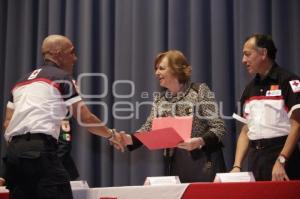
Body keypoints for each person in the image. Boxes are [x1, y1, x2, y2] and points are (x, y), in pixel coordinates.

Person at [2, 34, 124, 199]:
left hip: (13, 156)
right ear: (58, 53)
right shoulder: (61, 78)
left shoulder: (20, 82)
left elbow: (7, 123)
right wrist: (112, 135)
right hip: (40, 152)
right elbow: (85, 118)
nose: (75, 58)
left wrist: (20, 146)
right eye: (72, 52)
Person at [119, 50, 226, 182]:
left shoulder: (199, 91)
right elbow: (148, 129)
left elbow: (219, 127)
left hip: (205, 160)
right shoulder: (160, 99)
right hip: (177, 163)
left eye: (161, 68)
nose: (156, 73)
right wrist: (126, 139)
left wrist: (199, 141)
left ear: (176, 70)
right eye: (156, 69)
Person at [231, 34, 300, 181]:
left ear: (263, 53)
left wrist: (281, 160)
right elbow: (245, 130)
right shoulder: (249, 89)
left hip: (282, 157)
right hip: (255, 159)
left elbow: (297, 124)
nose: (243, 60)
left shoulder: (288, 81)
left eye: (247, 54)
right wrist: (237, 166)